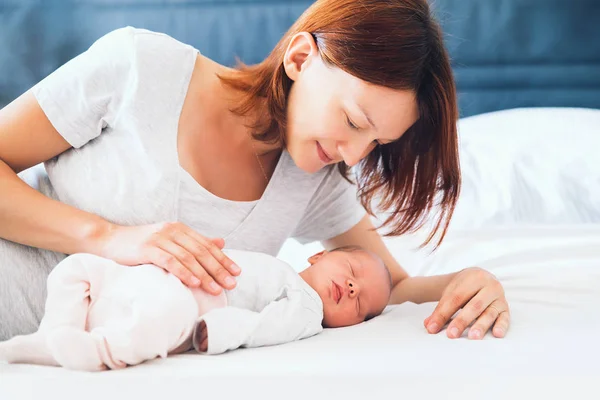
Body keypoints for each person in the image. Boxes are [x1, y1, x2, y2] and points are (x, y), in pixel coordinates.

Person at [0, 0, 509, 342]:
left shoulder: (313, 178)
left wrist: (468, 280)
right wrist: (108, 238)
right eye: (353, 121)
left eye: (375, 143)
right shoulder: (139, 67)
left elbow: (388, 287)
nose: (355, 155)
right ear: (301, 57)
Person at [0, 246, 392, 371]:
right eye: (353, 270)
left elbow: (262, 327)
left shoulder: (307, 312)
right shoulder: (283, 266)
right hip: (154, 276)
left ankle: (97, 351)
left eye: (362, 306)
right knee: (77, 266)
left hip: (189, 305)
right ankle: (53, 335)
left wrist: (213, 331)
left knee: (164, 314)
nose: (354, 288)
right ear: (320, 254)